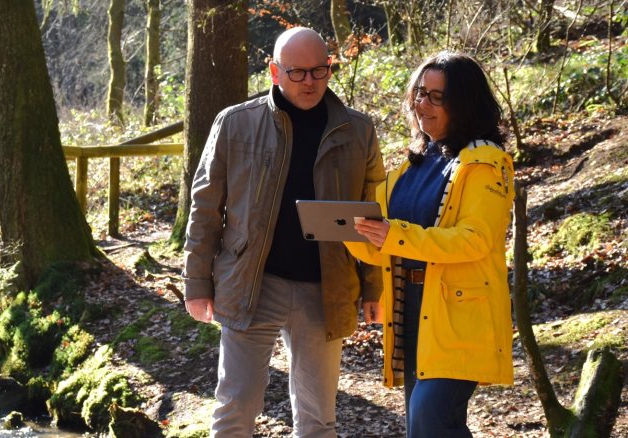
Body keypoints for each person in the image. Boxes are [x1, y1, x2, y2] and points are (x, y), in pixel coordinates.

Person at [183, 27, 386, 437]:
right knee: (235, 408)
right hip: (250, 283)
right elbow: (205, 209)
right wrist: (196, 282)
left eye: (319, 71)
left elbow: (373, 218)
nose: (310, 81)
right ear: (275, 71)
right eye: (297, 72)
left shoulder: (358, 132)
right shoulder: (235, 124)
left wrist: (373, 288)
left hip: (325, 287)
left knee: (317, 419)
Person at [346, 51, 515, 437]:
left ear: (463, 103)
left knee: (429, 421)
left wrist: (394, 234)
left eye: (436, 96)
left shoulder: (486, 163)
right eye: (420, 93)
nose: (422, 104)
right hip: (411, 311)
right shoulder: (411, 166)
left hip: (459, 317)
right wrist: (350, 232)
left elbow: (475, 240)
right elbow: (386, 245)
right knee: (423, 427)